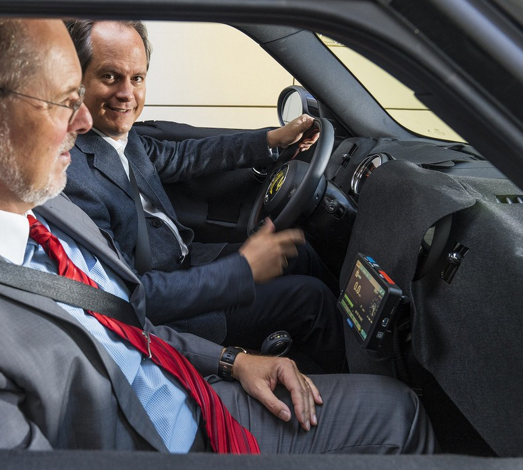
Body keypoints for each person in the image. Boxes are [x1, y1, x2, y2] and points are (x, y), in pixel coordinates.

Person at [0, 17, 434, 454]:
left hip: (190, 387)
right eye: (64, 100)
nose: (84, 121)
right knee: (399, 416)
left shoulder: (40, 209)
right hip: (164, 441)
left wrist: (231, 361)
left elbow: (123, 316)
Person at [64, 20, 343, 372]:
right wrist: (242, 270)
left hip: (187, 262)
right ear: (75, 80)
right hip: (172, 316)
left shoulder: (122, 137)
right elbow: (127, 295)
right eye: (109, 77)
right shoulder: (72, 175)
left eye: (137, 78)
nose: (127, 93)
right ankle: (365, 381)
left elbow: (187, 156)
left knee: (297, 252)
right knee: (311, 300)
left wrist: (272, 140)